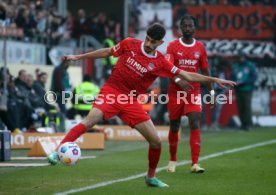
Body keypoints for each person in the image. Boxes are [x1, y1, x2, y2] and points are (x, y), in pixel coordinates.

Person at [47, 23, 235, 188]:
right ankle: (58, 151)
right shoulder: (130, 43)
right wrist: (78, 58)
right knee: (90, 120)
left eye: (154, 42)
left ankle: (151, 177)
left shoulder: (161, 62)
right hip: (112, 91)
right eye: (147, 39)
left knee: (155, 142)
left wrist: (212, 79)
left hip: (130, 100)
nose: (148, 43)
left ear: (160, 43)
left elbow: (187, 75)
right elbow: (107, 52)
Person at [166, 14, 214, 173]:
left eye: (190, 26)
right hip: (175, 91)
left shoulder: (200, 47)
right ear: (180, 28)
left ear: (194, 28)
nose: (187, 28)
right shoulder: (172, 46)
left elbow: (205, 71)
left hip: (194, 91)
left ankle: (195, 163)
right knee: (174, 126)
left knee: (195, 121)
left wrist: (212, 91)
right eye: (184, 26)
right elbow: (167, 69)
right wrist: (179, 81)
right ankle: (172, 160)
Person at [231, 53, 257, 131]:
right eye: (239, 57)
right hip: (238, 89)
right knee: (240, 107)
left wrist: (245, 82)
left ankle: (248, 124)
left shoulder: (250, 65)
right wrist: (234, 83)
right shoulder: (235, 66)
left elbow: (254, 77)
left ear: (245, 58)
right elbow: (232, 76)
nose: (240, 59)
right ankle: (243, 124)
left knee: (247, 107)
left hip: (247, 89)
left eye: (242, 57)